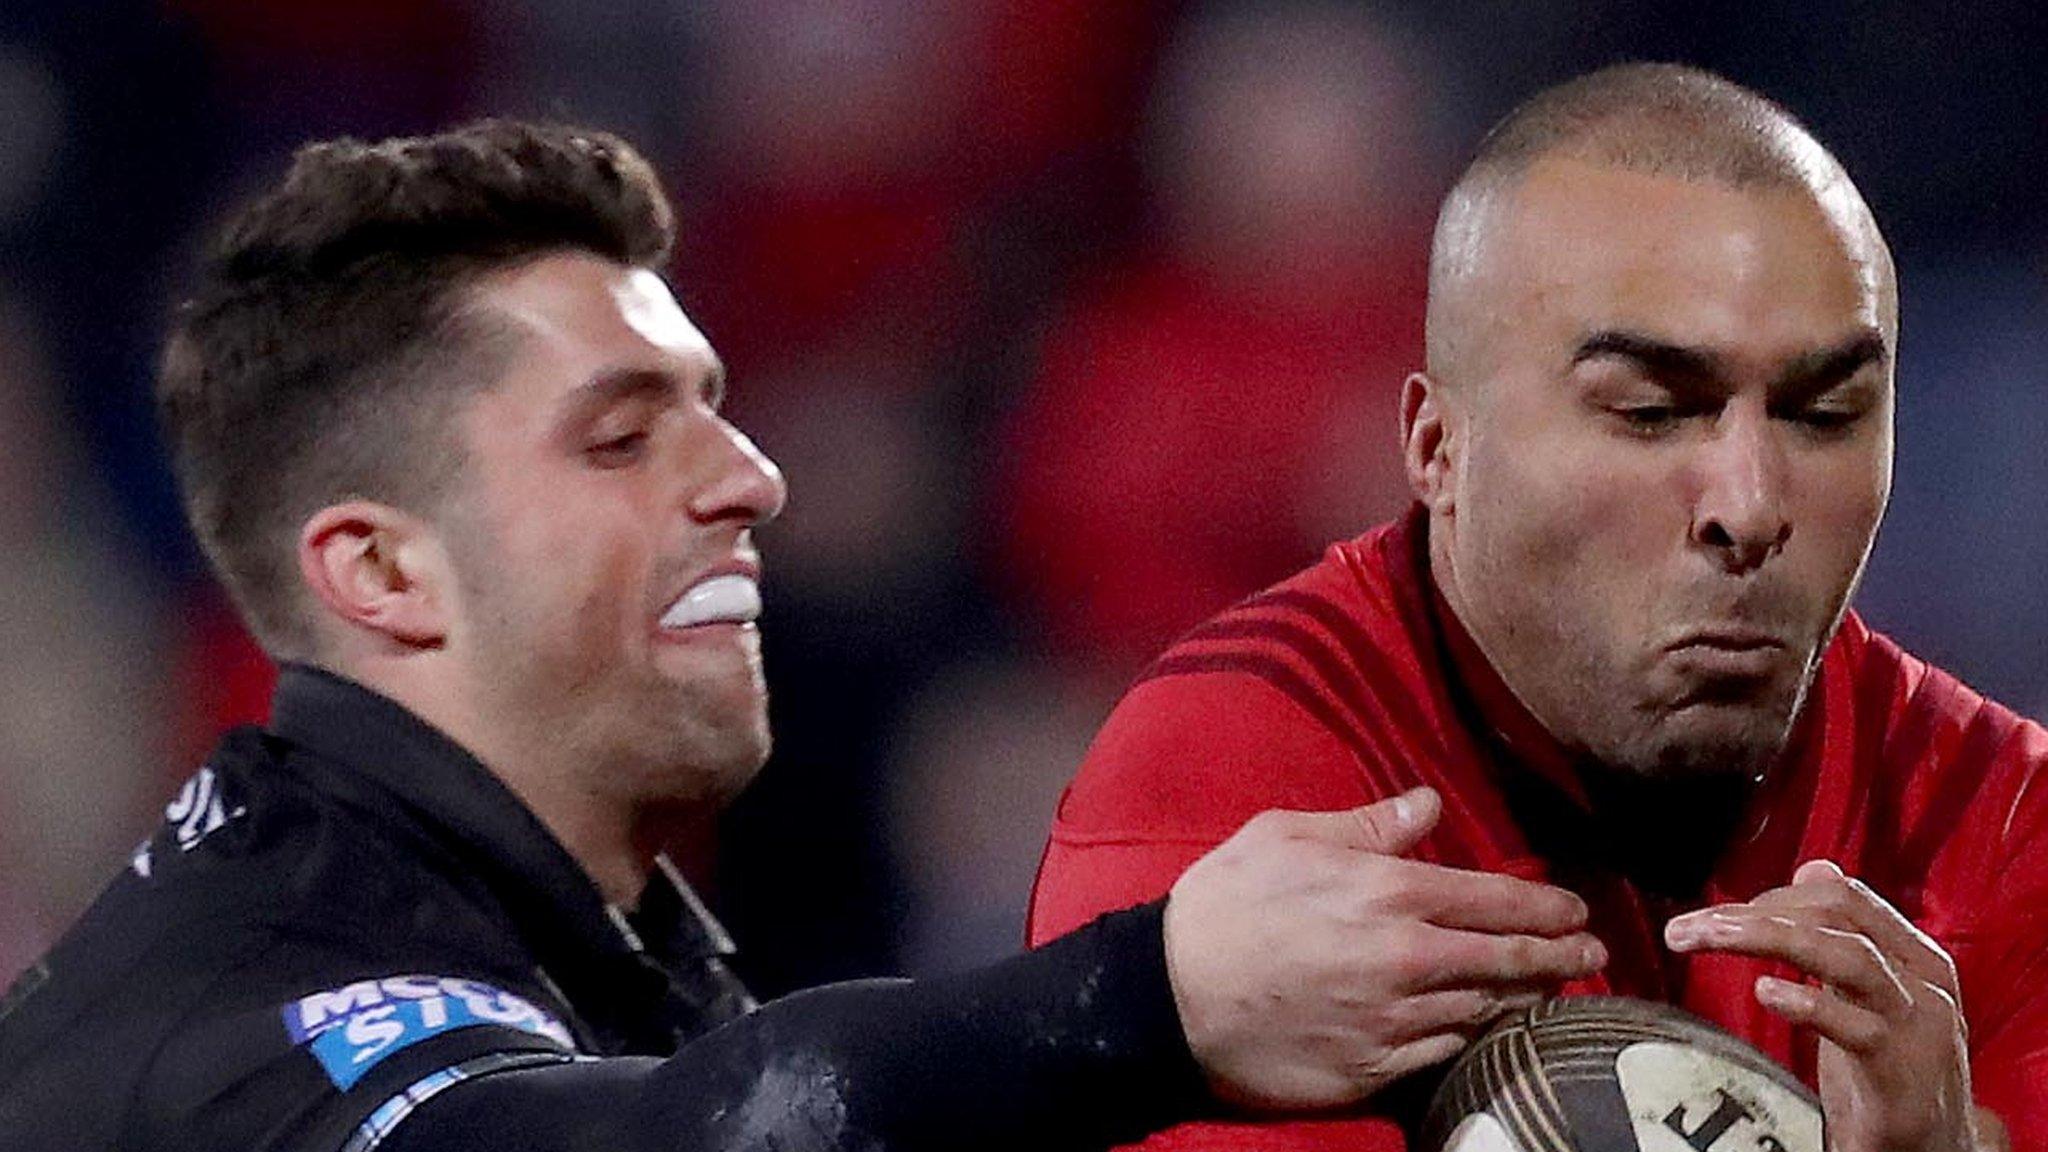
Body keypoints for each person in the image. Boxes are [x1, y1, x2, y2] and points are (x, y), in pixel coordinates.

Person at [0, 121, 1617, 1152]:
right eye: (622, 438)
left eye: (715, 408)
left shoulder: (580, 944)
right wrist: (1155, 995)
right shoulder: (244, 1031)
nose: (753, 476)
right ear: (384, 574)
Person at [1030, 63, 2045, 1151]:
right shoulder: (1242, 791)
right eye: (1650, 412)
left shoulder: (1992, 822)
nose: (1748, 506)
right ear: (1437, 449)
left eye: (1825, 413)